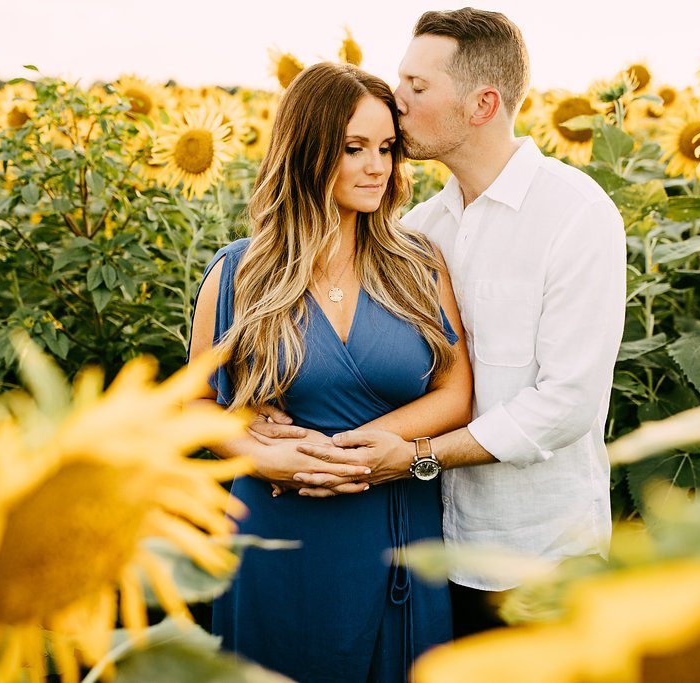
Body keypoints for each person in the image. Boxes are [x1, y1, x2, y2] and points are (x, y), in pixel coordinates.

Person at [266, 8, 627, 638]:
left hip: (539, 555)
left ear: (482, 103)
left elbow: (567, 404)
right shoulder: (418, 231)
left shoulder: (574, 214)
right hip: (425, 551)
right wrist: (278, 418)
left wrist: (412, 457)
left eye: (417, 86)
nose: (395, 99)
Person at [188, 62, 473, 681]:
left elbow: (457, 391)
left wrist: (373, 450)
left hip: (395, 522)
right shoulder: (239, 272)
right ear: (308, 151)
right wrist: (257, 454)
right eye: (354, 149)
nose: (378, 167)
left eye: (387, 149)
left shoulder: (418, 262)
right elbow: (194, 404)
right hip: (278, 530)